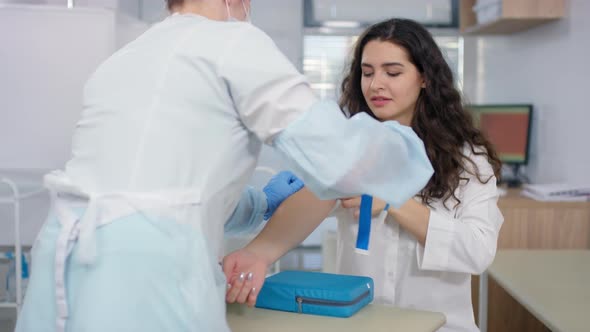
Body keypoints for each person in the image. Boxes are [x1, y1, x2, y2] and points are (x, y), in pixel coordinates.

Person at [15, 1, 433, 331]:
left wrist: (259, 205)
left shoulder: (127, 57)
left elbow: (164, 185)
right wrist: (403, 143)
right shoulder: (234, 43)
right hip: (144, 268)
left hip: (65, 258)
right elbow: (344, 163)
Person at [224, 18, 504, 332]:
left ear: (425, 77)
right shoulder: (352, 149)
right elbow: (310, 203)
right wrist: (257, 254)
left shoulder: (467, 159)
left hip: (442, 327)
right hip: (361, 324)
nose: (375, 85)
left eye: (393, 72)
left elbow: (478, 252)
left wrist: (394, 203)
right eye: (367, 73)